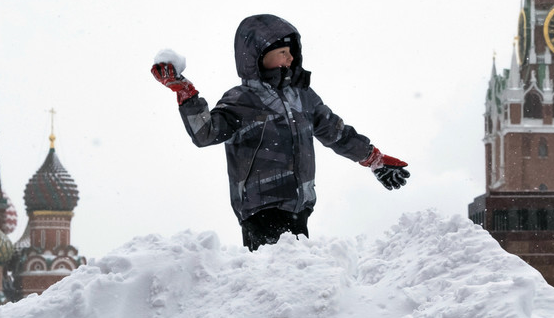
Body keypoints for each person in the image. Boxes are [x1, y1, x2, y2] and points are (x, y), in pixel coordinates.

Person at [150, 14, 409, 251]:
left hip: (299, 206)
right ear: (257, 56)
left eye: (291, 52)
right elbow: (205, 133)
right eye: (283, 52)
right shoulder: (242, 99)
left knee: (297, 281)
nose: (290, 58)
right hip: (260, 210)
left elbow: (337, 133)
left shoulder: (303, 98)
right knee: (273, 281)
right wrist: (185, 92)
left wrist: (374, 158)